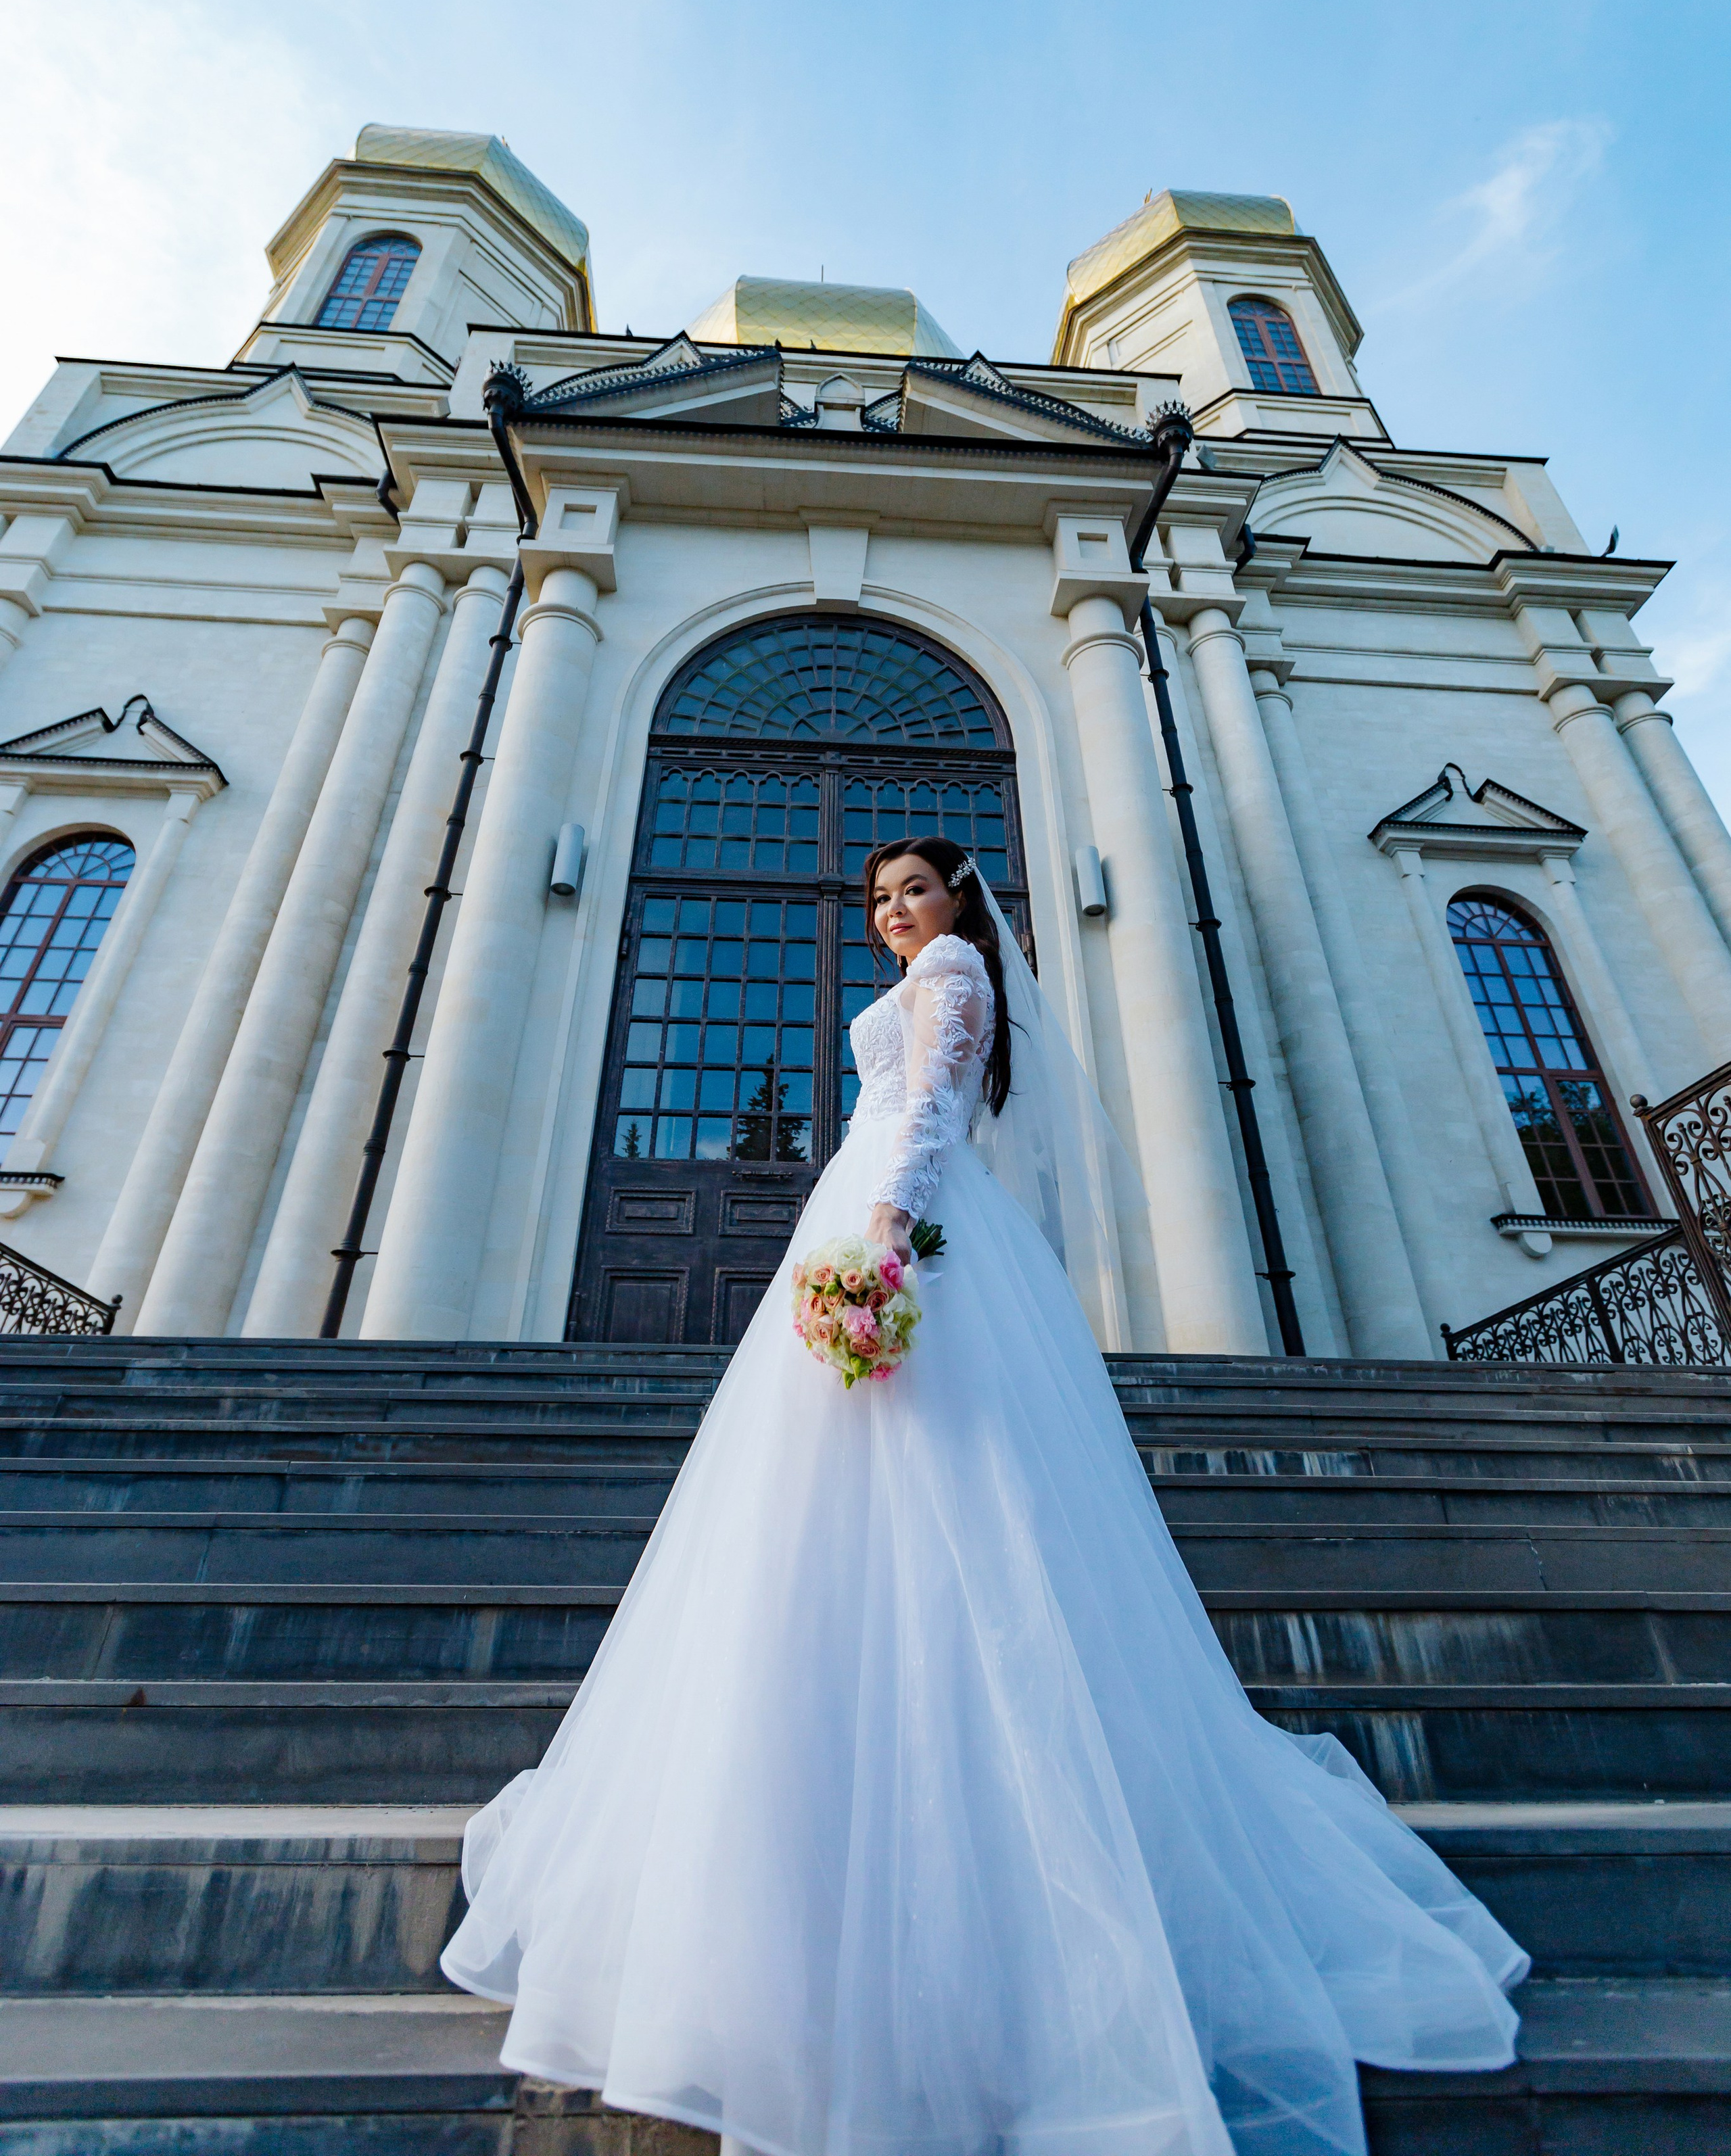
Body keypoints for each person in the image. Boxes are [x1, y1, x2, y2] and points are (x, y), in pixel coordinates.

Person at [442, 834, 1526, 2156]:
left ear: (960, 901)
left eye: (915, 890)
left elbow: (930, 1115)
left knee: (924, 1495)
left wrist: (882, 1243)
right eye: (881, 899)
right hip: (873, 1216)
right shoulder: (929, 970)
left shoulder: (954, 973)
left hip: (904, 1231)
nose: (897, 913)